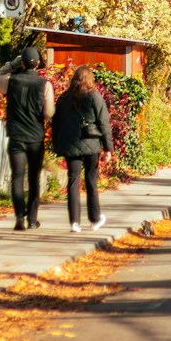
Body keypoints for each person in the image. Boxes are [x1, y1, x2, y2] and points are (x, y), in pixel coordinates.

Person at [0, 47, 55, 231]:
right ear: (38, 65)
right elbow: (49, 113)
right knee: (34, 178)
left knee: (17, 177)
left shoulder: (11, 82)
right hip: (35, 137)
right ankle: (32, 220)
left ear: (23, 63)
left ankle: (19, 216)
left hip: (16, 136)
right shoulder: (45, 85)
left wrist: (10, 65)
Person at [53, 65, 113, 233]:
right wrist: (108, 148)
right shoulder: (94, 96)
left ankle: (74, 222)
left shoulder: (64, 98)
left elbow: (57, 123)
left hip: (71, 146)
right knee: (91, 181)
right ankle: (94, 219)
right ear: (90, 79)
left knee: (73, 182)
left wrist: (58, 145)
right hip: (91, 144)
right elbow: (104, 123)